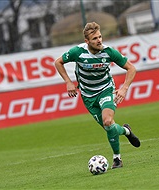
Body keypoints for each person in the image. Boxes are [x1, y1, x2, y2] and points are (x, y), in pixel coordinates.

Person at [54, 22, 140, 169]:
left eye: (100, 37)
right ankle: (126, 131)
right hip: (88, 96)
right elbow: (58, 62)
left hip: (106, 90)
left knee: (108, 121)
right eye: (94, 39)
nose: (99, 40)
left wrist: (124, 88)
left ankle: (117, 159)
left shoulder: (109, 52)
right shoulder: (78, 52)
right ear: (87, 41)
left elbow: (131, 68)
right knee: (110, 127)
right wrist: (68, 82)